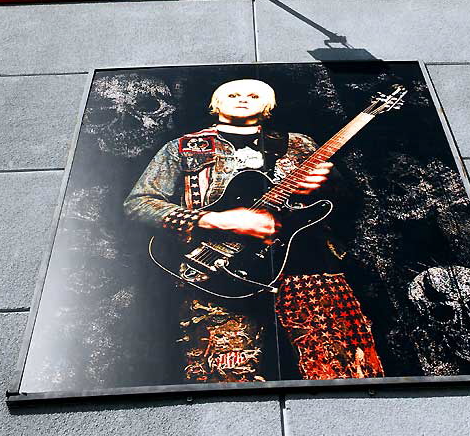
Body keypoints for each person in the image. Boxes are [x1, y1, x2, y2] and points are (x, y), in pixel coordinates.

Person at [124, 79, 383, 383]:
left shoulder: (299, 144)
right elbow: (138, 203)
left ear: (268, 107)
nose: (243, 99)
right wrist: (215, 221)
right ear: (215, 105)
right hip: (219, 275)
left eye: (254, 95)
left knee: (342, 370)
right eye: (232, 94)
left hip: (307, 269)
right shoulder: (182, 148)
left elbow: (347, 203)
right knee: (228, 376)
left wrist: (329, 183)